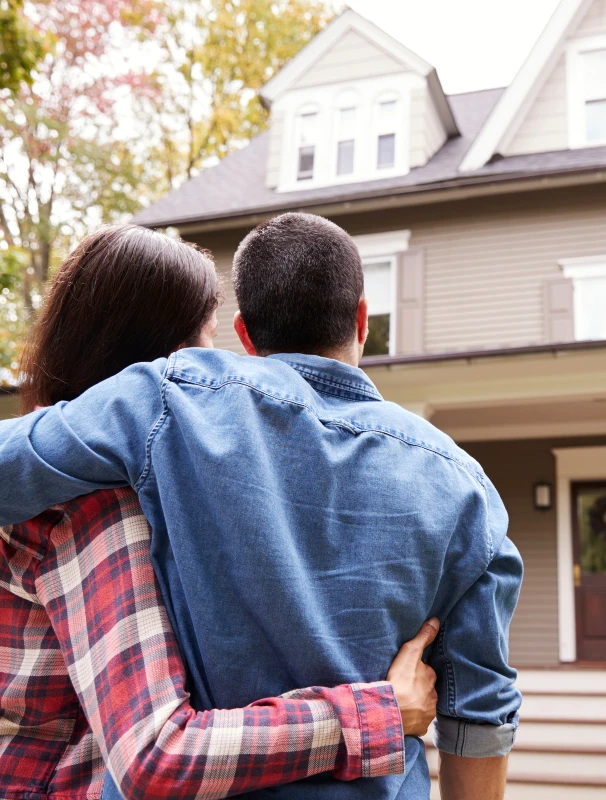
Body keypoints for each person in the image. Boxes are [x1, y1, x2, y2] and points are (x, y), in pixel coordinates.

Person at [0, 213, 523, 800]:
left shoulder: (164, 403)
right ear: (361, 319)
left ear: (245, 335)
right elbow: (480, 710)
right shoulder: (467, 488)